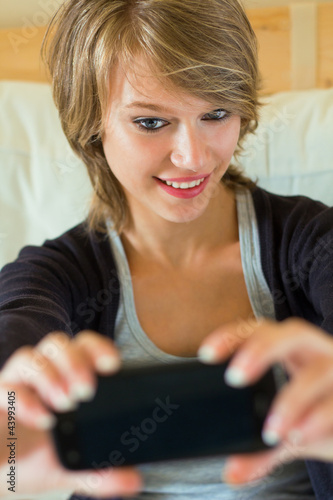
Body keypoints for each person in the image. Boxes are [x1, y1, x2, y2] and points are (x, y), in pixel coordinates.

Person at [0, 0, 332, 498]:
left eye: (216, 114)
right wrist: (6, 447)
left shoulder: (312, 242)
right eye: (151, 122)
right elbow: (15, 335)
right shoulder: (56, 275)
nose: (193, 157)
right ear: (92, 123)